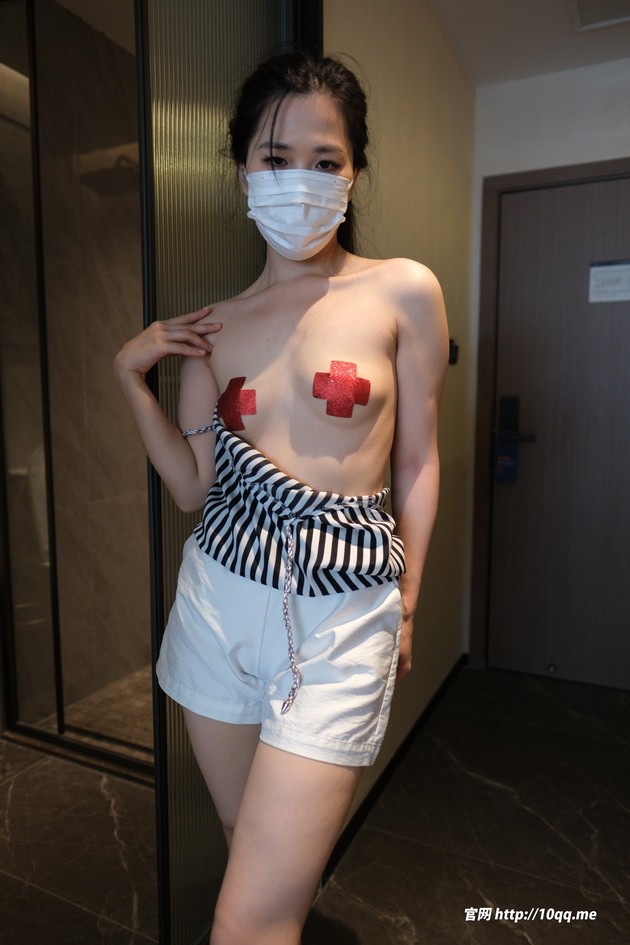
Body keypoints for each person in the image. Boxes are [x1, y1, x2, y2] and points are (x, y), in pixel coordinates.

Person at [115, 51, 448, 945]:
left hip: (342, 612)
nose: (299, 178)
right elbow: (193, 488)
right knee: (245, 847)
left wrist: (409, 600)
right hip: (218, 602)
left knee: (248, 918)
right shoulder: (213, 328)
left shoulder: (403, 290)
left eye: (324, 159)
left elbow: (418, 461)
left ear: (353, 172)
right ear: (242, 174)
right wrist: (130, 378)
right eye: (275, 157)